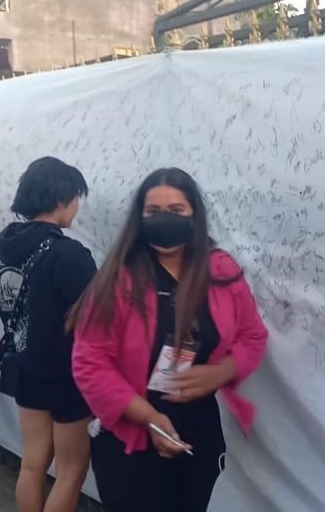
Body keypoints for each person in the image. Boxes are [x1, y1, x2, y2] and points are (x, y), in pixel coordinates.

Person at [70, 168, 269, 512]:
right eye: (154, 211)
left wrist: (223, 370)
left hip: (198, 432)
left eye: (176, 210)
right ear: (140, 217)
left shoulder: (221, 270)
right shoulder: (118, 278)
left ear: (194, 214)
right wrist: (148, 417)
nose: (165, 219)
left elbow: (253, 335)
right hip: (131, 436)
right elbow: (90, 362)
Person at [0, 157, 96, 512]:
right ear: (62, 198)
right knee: (70, 473)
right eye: (76, 197)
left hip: (25, 367)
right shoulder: (69, 254)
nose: (77, 206)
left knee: (33, 463)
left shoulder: (4, 251)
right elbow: (98, 317)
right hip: (67, 374)